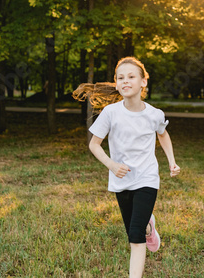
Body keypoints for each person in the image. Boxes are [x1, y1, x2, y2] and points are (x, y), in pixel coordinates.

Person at [73, 57, 181, 278]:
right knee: (136, 228)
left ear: (143, 82)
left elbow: (163, 134)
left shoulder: (154, 114)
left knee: (134, 235)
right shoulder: (110, 113)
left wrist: (171, 161)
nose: (125, 81)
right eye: (120, 78)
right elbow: (94, 145)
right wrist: (112, 165)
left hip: (147, 177)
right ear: (116, 83)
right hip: (121, 179)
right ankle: (149, 227)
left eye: (131, 76)